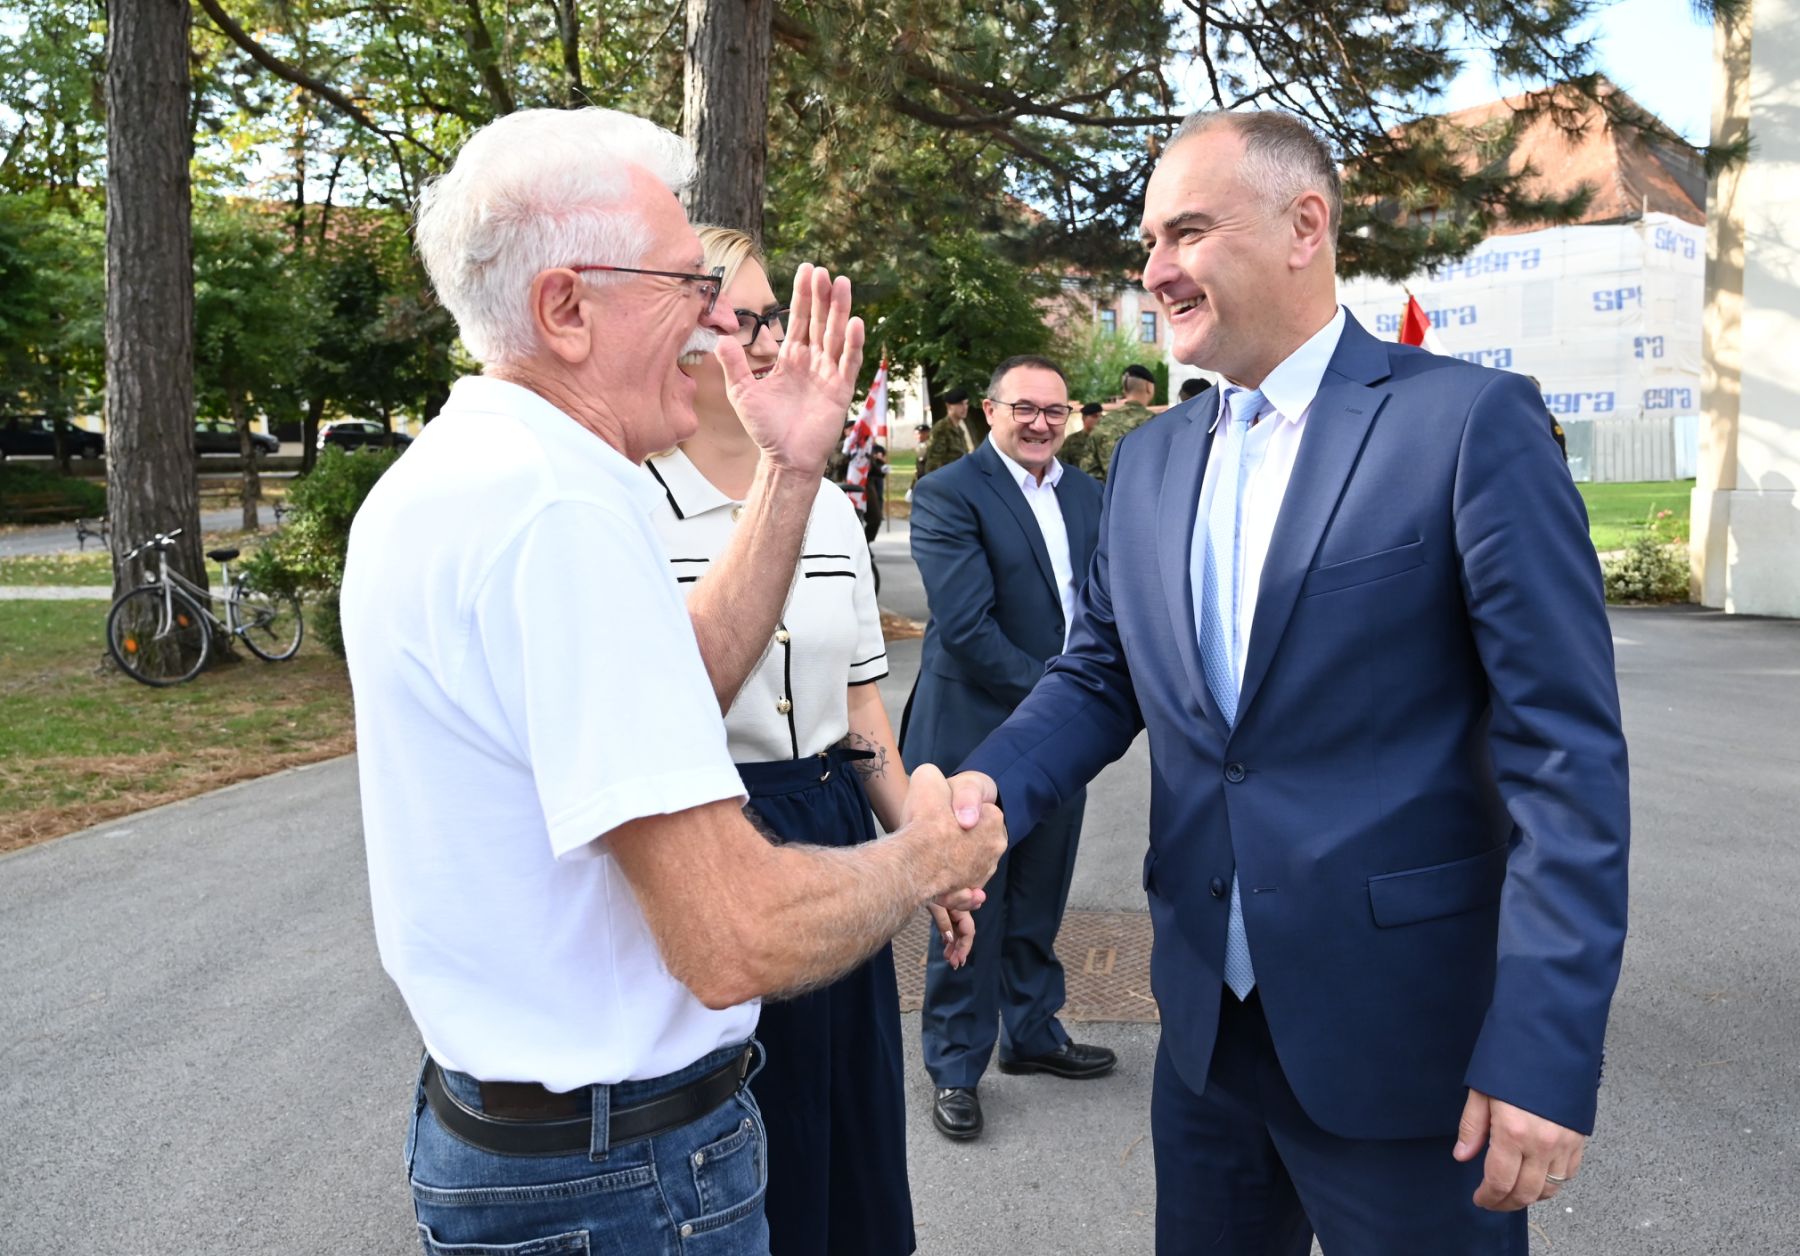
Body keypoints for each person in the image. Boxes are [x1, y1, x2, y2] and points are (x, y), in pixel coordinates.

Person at [948, 109, 1629, 1253]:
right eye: (1149, 241)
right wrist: (986, 792)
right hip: (1207, 1039)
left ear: (1305, 225)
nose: (1155, 270)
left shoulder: (1467, 424)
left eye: (1188, 232)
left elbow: (1566, 760)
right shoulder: (1149, 458)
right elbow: (1102, 671)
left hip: (1411, 1049)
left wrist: (1544, 1048)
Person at [339, 107, 1005, 1256]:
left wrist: (790, 473)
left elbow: (676, 678)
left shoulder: (473, 470)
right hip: (619, 1180)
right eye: (686, 286)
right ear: (566, 307)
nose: (711, 321)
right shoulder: (557, 513)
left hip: (537, 1150)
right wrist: (930, 855)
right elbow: (733, 934)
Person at [643, 226, 932, 1256]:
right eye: (745, 316)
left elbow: (862, 714)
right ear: (679, 327)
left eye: (776, 316)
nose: (771, 340)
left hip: (831, 823)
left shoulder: (835, 516)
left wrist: (925, 849)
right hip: (708, 837)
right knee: (744, 1138)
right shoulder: (630, 504)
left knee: (846, 1131)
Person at [900, 354, 1112, 1142]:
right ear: (991, 411)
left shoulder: (1087, 494)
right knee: (970, 902)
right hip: (974, 732)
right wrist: (1070, 698)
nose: (1040, 424)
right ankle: (956, 1066)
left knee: (1041, 893)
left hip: (1060, 736)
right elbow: (966, 627)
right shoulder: (948, 492)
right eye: (1024, 408)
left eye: (1055, 410)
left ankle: (1032, 1032)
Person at [1074, 362, 1158, 480]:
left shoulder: (1102, 423)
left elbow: (1087, 470)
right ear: (1149, 387)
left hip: (1107, 491)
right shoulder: (1156, 423)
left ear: (1124, 389)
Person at [917, 387, 975, 479]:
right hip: (944, 482)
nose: (965, 407)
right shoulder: (941, 429)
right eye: (960, 404)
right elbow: (933, 463)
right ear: (949, 406)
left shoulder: (959, 430)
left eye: (966, 403)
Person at [1056, 400, 1105, 470]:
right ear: (1084, 418)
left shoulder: (1103, 439)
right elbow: (1062, 463)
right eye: (1095, 416)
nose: (1099, 419)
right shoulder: (1072, 440)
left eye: (1101, 416)